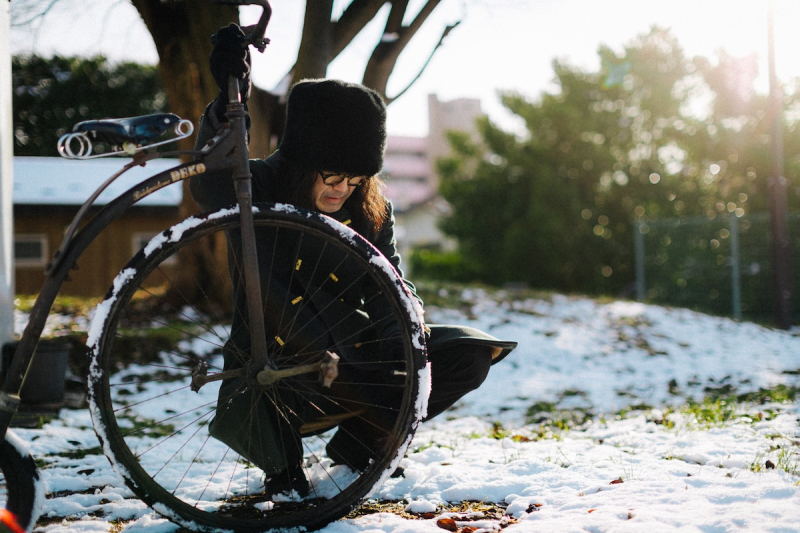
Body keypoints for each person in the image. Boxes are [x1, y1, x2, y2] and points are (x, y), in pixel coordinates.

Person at [190, 24, 517, 497]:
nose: (342, 189)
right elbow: (210, 181)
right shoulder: (259, 186)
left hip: (354, 357)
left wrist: (407, 325)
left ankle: (361, 446)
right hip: (278, 373)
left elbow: (389, 281)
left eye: (356, 179)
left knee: (469, 354)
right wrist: (227, 101)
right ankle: (284, 469)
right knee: (289, 486)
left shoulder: (370, 208)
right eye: (332, 176)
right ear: (305, 162)